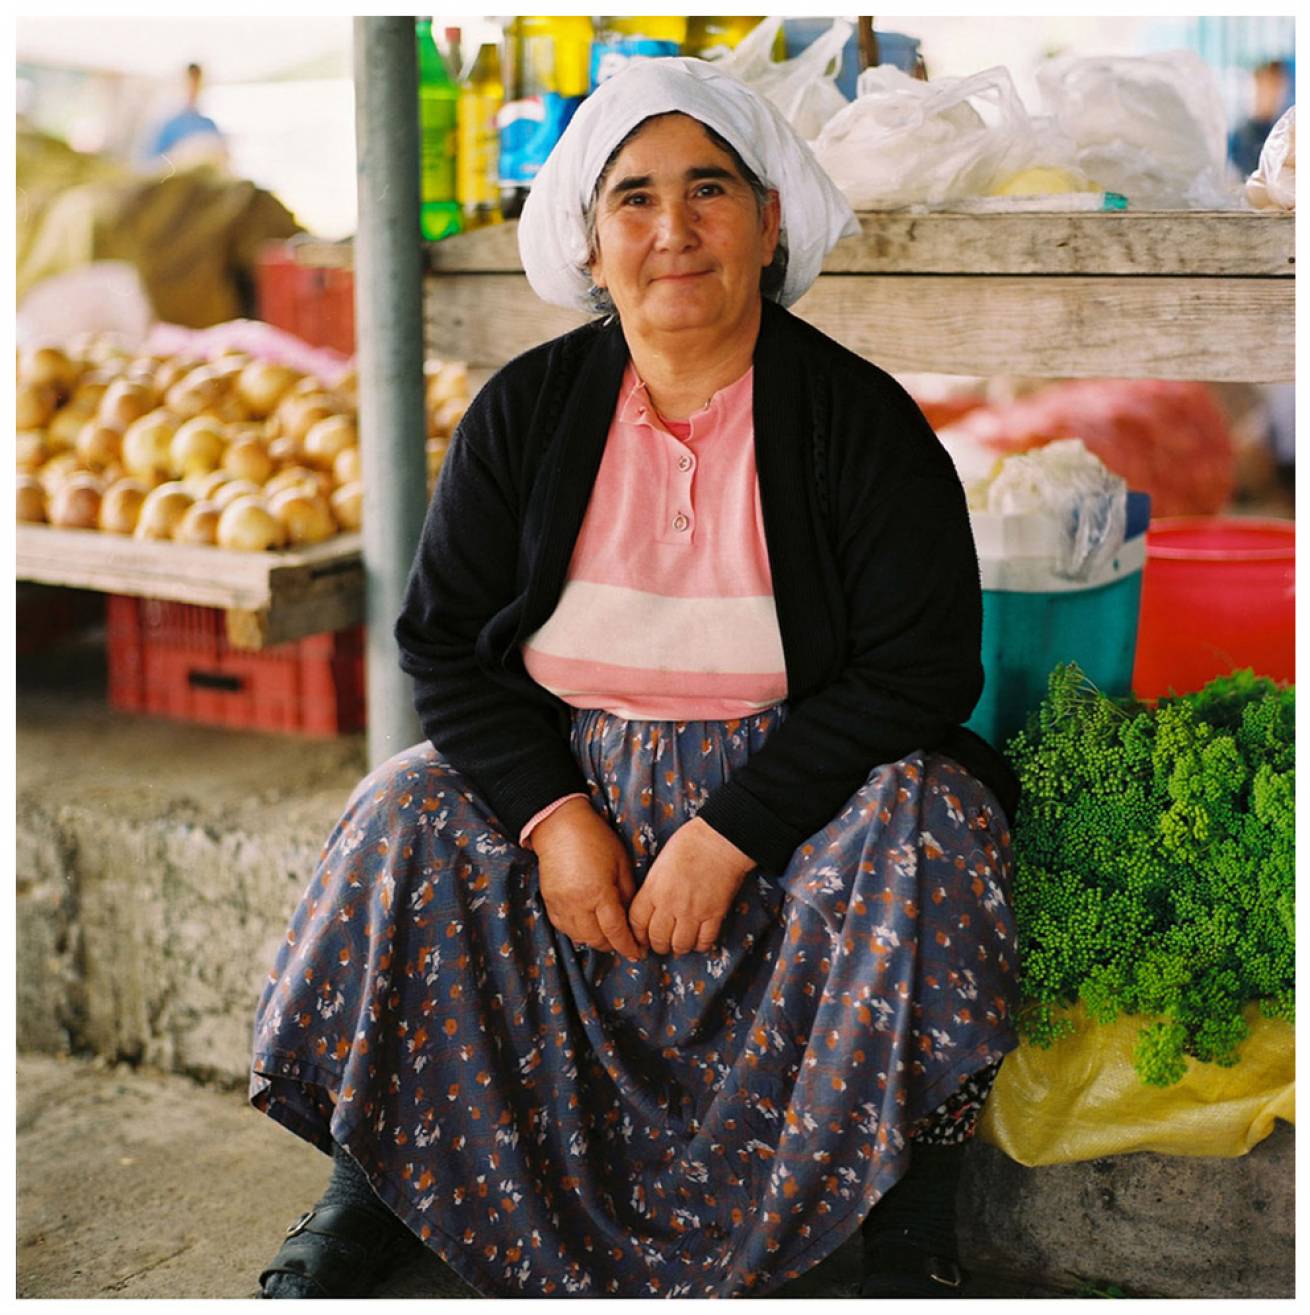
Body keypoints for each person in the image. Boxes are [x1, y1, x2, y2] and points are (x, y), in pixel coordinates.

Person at [251, 56, 1021, 1300]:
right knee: (402, 810)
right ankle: (371, 1185)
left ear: (769, 225)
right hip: (575, 807)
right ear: (588, 241)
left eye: (710, 190)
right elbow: (443, 644)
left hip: (791, 812)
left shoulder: (857, 419)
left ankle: (904, 1216)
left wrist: (730, 831)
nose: (675, 231)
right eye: (635, 199)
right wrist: (556, 822)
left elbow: (920, 667)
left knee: (932, 821)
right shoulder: (526, 413)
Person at [143, 63, 227, 169]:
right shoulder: (167, 125)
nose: (193, 89)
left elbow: (224, 162)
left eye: (197, 84)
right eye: (190, 83)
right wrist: (179, 157)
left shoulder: (209, 125)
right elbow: (148, 166)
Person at [1227, 59, 1293, 179]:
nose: (1275, 94)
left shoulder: (1286, 132)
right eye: (1270, 85)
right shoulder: (1240, 137)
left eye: (1279, 86)